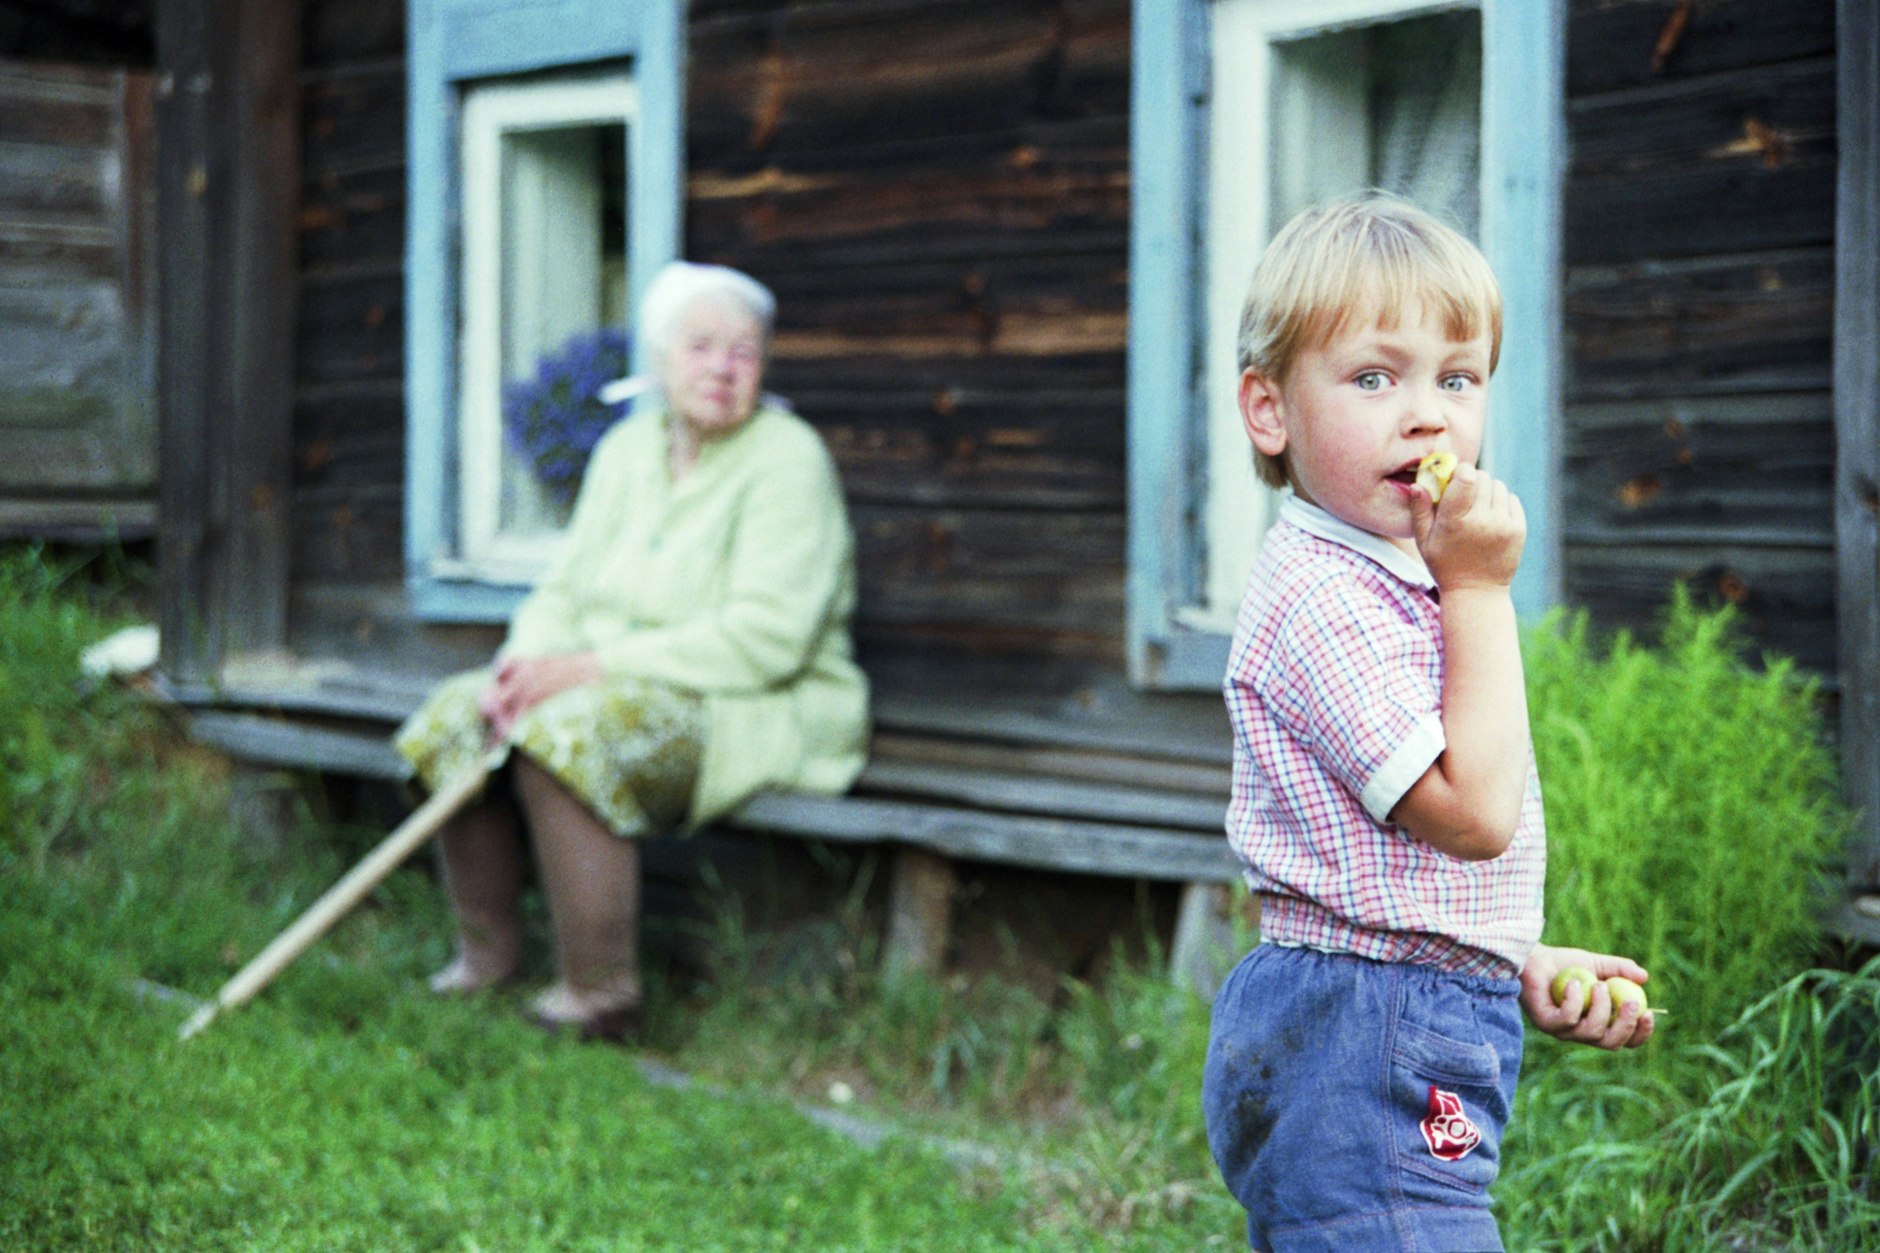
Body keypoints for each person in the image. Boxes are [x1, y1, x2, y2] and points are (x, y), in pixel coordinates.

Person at [1200, 194, 1656, 1252]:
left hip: (1379, 1007)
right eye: (1373, 376)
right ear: (1268, 412)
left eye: (1456, 378)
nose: (1427, 414)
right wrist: (1482, 590)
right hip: (1366, 1032)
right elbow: (1470, 812)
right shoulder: (1324, 598)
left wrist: (1506, 956)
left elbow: (1389, 860)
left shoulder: (1379, 579)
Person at [393, 261, 869, 1043]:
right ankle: (487, 959)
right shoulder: (625, 451)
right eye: (702, 345)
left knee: (570, 733)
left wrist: (584, 669)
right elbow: (565, 591)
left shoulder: (788, 458)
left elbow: (766, 640)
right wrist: (522, 669)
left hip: (758, 703)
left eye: (744, 351)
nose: (723, 366)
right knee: (459, 713)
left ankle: (601, 992)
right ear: (658, 358)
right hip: (631, 680)